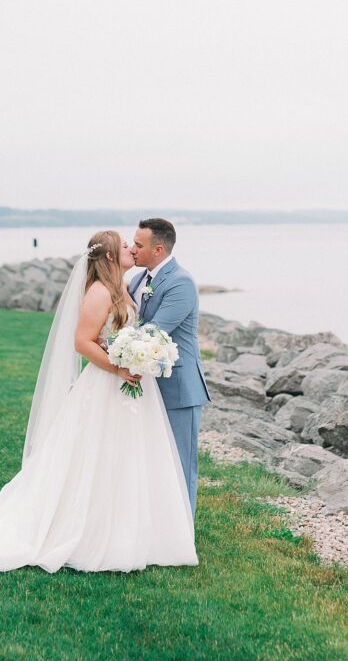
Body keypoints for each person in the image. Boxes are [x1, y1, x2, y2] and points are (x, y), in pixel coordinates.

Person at [0, 230, 198, 573]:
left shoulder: (123, 287)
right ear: (110, 257)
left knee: (126, 457)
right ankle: (92, 532)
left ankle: (133, 530)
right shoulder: (99, 292)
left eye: (134, 245)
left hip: (128, 387)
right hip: (106, 384)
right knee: (97, 457)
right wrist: (118, 367)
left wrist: (136, 359)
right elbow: (82, 342)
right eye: (125, 246)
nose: (131, 248)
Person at [130, 218, 211, 514]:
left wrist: (109, 348)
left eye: (139, 245)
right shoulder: (139, 280)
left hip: (178, 388)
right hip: (148, 384)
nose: (132, 249)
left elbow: (153, 333)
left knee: (179, 463)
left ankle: (181, 536)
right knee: (152, 462)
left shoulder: (181, 283)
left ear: (158, 249)